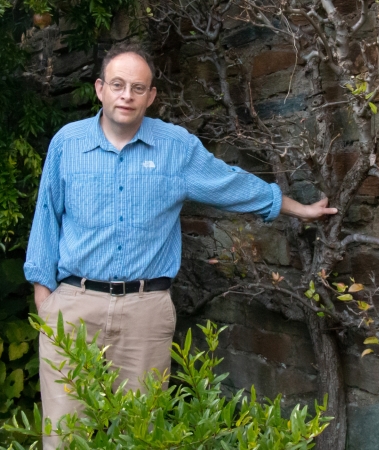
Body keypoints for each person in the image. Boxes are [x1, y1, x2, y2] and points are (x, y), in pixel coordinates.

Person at [23, 42, 338, 449]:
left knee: (142, 435)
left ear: (151, 96)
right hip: (73, 307)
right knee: (65, 438)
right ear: (99, 88)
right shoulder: (67, 144)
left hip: (144, 313)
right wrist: (45, 301)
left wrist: (297, 209)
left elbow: (231, 183)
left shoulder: (176, 147)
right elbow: (46, 217)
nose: (127, 95)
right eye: (117, 85)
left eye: (138, 88)